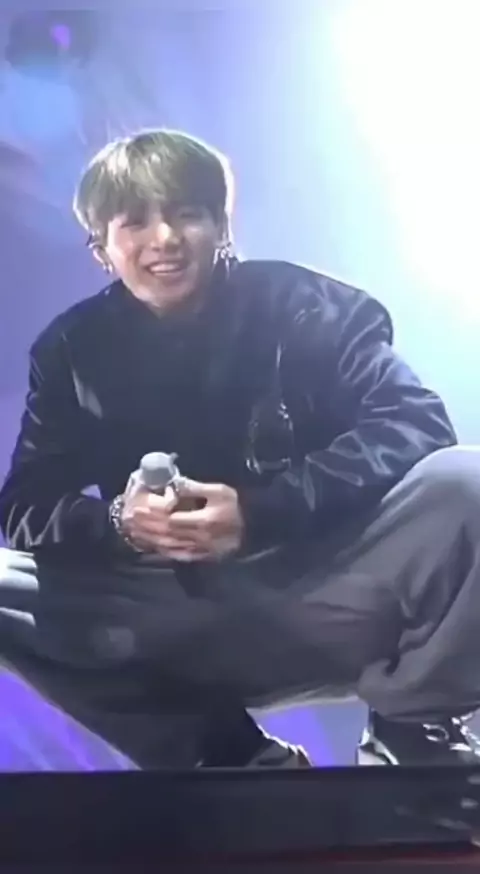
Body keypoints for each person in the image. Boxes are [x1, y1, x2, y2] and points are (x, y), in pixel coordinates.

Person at [0, 129, 479, 775]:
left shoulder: (310, 307)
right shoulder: (69, 351)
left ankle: (416, 727)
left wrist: (261, 510)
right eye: (135, 221)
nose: (165, 238)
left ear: (221, 226)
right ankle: (230, 759)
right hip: (173, 613)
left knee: (468, 480)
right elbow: (25, 505)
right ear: (102, 249)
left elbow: (414, 421)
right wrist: (120, 522)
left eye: (186, 213)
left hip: (331, 583)